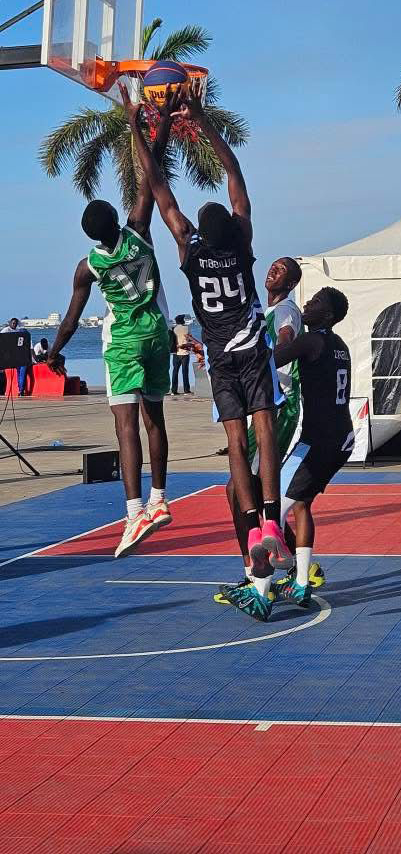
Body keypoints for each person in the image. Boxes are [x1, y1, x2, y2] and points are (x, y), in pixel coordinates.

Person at [124, 82, 285, 618]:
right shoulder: (242, 245)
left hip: (218, 355)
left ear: (198, 232)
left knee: (236, 443)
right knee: (266, 434)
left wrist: (138, 123)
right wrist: (203, 120)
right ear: (235, 230)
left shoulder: (190, 251)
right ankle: (269, 520)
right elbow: (235, 178)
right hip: (251, 348)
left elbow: (159, 186)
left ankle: (256, 531)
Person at [46, 91, 179, 559]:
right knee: (155, 419)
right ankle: (161, 499)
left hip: (122, 342)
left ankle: (133, 511)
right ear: (115, 220)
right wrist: (145, 123)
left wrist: (55, 351)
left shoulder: (89, 267)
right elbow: (152, 170)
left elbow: (70, 318)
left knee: (125, 427)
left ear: (88, 234)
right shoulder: (140, 230)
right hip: (157, 337)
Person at [221, 287, 354, 618]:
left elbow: (272, 359)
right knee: (302, 504)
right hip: (342, 439)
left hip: (318, 441)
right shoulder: (341, 347)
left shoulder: (312, 341)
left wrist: (228, 354)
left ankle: (261, 593)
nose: (308, 304)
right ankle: (299, 581)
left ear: (329, 315)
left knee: (272, 513)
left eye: (317, 302)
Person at [2, 318, 29, 395]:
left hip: (17, 356)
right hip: (11, 356)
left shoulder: (17, 331)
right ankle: (20, 390)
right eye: (13, 323)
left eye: (15, 323)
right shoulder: (6, 330)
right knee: (19, 372)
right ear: (10, 323)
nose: (14, 325)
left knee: (20, 372)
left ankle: (21, 390)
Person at [170, 314, 191, 394]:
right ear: (183, 320)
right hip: (185, 352)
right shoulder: (186, 328)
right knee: (185, 371)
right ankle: (186, 390)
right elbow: (189, 339)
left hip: (176, 352)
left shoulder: (174, 329)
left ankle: (174, 390)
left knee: (175, 371)